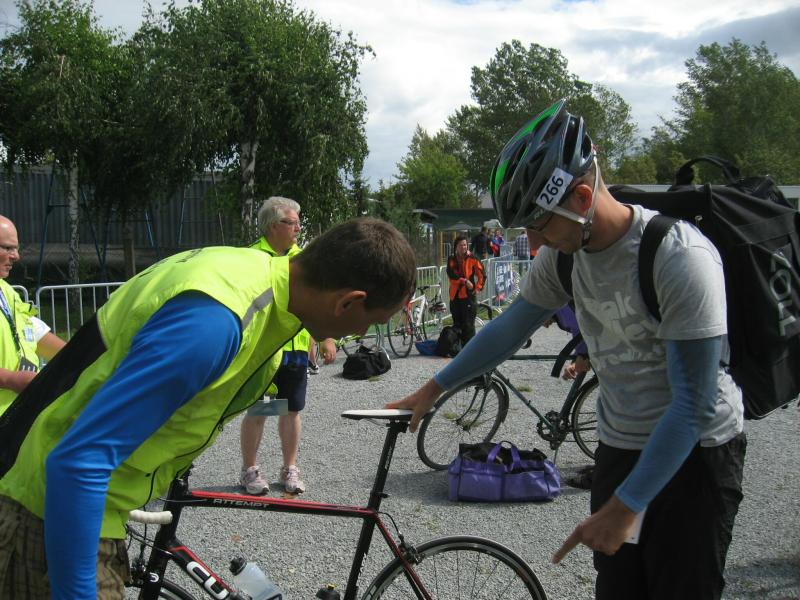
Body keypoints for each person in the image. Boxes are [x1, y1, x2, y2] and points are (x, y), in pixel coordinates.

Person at [389, 99, 745, 600]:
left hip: (695, 455)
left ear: (580, 197)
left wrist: (626, 506)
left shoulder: (679, 257)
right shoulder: (562, 258)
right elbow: (508, 329)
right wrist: (433, 389)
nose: (533, 242)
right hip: (620, 446)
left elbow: (693, 404)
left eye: (539, 225)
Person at [0, 217, 416, 600]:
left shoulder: (256, 284)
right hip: (47, 504)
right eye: (372, 322)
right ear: (348, 302)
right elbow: (79, 462)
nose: (362, 332)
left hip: (75, 502)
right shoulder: (216, 322)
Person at [239, 197, 336, 496]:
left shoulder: (303, 258)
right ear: (273, 225)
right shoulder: (252, 258)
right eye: (292, 223)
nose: (298, 228)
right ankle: (249, 470)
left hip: (294, 349)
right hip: (264, 350)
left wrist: (326, 336)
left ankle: (290, 468)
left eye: (298, 222)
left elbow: (316, 300)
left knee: (291, 409)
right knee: (260, 409)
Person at [0, 215, 65, 415]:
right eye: (8, 248)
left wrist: (79, 356)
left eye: (16, 248)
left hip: (17, 415)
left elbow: (32, 333)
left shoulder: (7, 291)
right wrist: (10, 379)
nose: (16, 256)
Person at [445, 236, 484, 346]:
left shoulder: (473, 258)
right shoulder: (451, 259)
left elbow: (482, 275)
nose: (463, 247)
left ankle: (470, 349)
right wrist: (465, 281)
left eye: (465, 245)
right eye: (461, 245)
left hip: (468, 296)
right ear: (456, 247)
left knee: (468, 325)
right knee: (457, 324)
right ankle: (458, 348)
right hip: (454, 296)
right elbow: (452, 276)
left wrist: (477, 288)